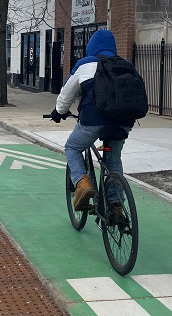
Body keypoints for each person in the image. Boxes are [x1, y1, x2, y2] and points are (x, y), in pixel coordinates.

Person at [50, 29, 134, 212]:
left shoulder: (85, 64)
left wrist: (58, 112)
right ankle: (116, 205)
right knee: (113, 160)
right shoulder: (125, 65)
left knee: (72, 147)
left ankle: (82, 183)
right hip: (124, 122)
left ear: (91, 47)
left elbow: (66, 95)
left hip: (93, 121)